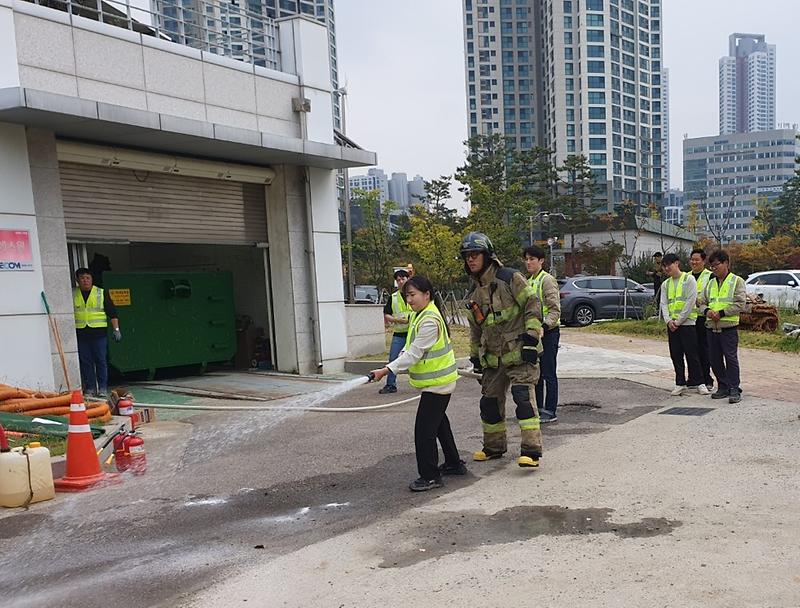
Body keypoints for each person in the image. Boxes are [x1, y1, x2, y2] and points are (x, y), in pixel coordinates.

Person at [369, 275, 465, 492]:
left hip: (438, 384)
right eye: (406, 296)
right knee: (439, 424)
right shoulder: (420, 315)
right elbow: (410, 349)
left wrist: (386, 370)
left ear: (427, 294)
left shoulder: (430, 320)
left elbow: (413, 354)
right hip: (437, 382)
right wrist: (394, 363)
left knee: (424, 432)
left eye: (412, 295)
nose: (409, 300)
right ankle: (453, 463)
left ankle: (430, 476)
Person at [461, 232, 544, 468]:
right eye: (467, 256)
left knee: (523, 398)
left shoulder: (510, 278)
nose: (470, 259)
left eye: (475, 254)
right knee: (489, 404)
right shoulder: (473, 292)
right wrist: (476, 356)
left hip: (520, 352)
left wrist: (531, 336)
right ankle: (493, 447)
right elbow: (476, 329)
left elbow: (533, 304)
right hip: (492, 359)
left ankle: (531, 451)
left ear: (487, 255)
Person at [696, 249, 747, 404]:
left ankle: (734, 388)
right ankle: (723, 386)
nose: (714, 268)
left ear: (726, 263)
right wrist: (707, 311)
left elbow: (740, 303)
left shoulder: (736, 281)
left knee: (730, 359)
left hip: (728, 327)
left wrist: (722, 313)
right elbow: (701, 302)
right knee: (714, 358)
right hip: (711, 326)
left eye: (716, 265)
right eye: (712, 266)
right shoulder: (711, 283)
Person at [659, 253, 709, 396]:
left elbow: (690, 301)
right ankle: (680, 382)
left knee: (692, 354)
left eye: (669, 264)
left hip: (687, 324)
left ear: (677, 263)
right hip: (672, 326)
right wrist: (668, 320)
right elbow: (664, 303)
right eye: (664, 266)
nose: (667, 268)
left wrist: (679, 321)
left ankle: (700, 382)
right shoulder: (666, 284)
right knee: (676, 354)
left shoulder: (689, 279)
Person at [524, 245, 561, 423]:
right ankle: (537, 407)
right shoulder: (528, 280)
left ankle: (550, 410)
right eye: (526, 259)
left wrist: (545, 327)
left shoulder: (547, 280)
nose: (528, 262)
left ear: (541, 261)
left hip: (549, 333)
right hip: (534, 334)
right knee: (535, 373)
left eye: (532, 259)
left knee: (548, 373)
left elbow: (555, 309)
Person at [73, 267, 121, 398]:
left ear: (92, 279)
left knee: (100, 361)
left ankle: (103, 388)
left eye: (88, 278)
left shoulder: (100, 293)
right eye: (82, 278)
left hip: (99, 334)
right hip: (81, 333)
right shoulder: (72, 294)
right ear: (77, 280)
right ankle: (90, 388)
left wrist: (116, 329)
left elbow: (112, 312)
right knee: (86, 362)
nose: (85, 281)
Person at [379, 268, 412, 394]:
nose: (401, 282)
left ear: (408, 279)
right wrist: (396, 320)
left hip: (413, 333)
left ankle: (430, 381)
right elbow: (386, 314)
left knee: (422, 357)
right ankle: (390, 385)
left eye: (403, 279)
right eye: (398, 280)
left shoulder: (415, 293)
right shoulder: (393, 297)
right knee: (393, 359)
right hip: (399, 334)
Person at [689, 248, 714, 391]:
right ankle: (694, 379)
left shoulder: (709, 276)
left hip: (703, 318)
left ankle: (707, 378)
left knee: (704, 350)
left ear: (703, 261)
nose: (694, 262)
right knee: (691, 350)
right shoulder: (686, 276)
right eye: (692, 259)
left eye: (697, 259)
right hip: (689, 318)